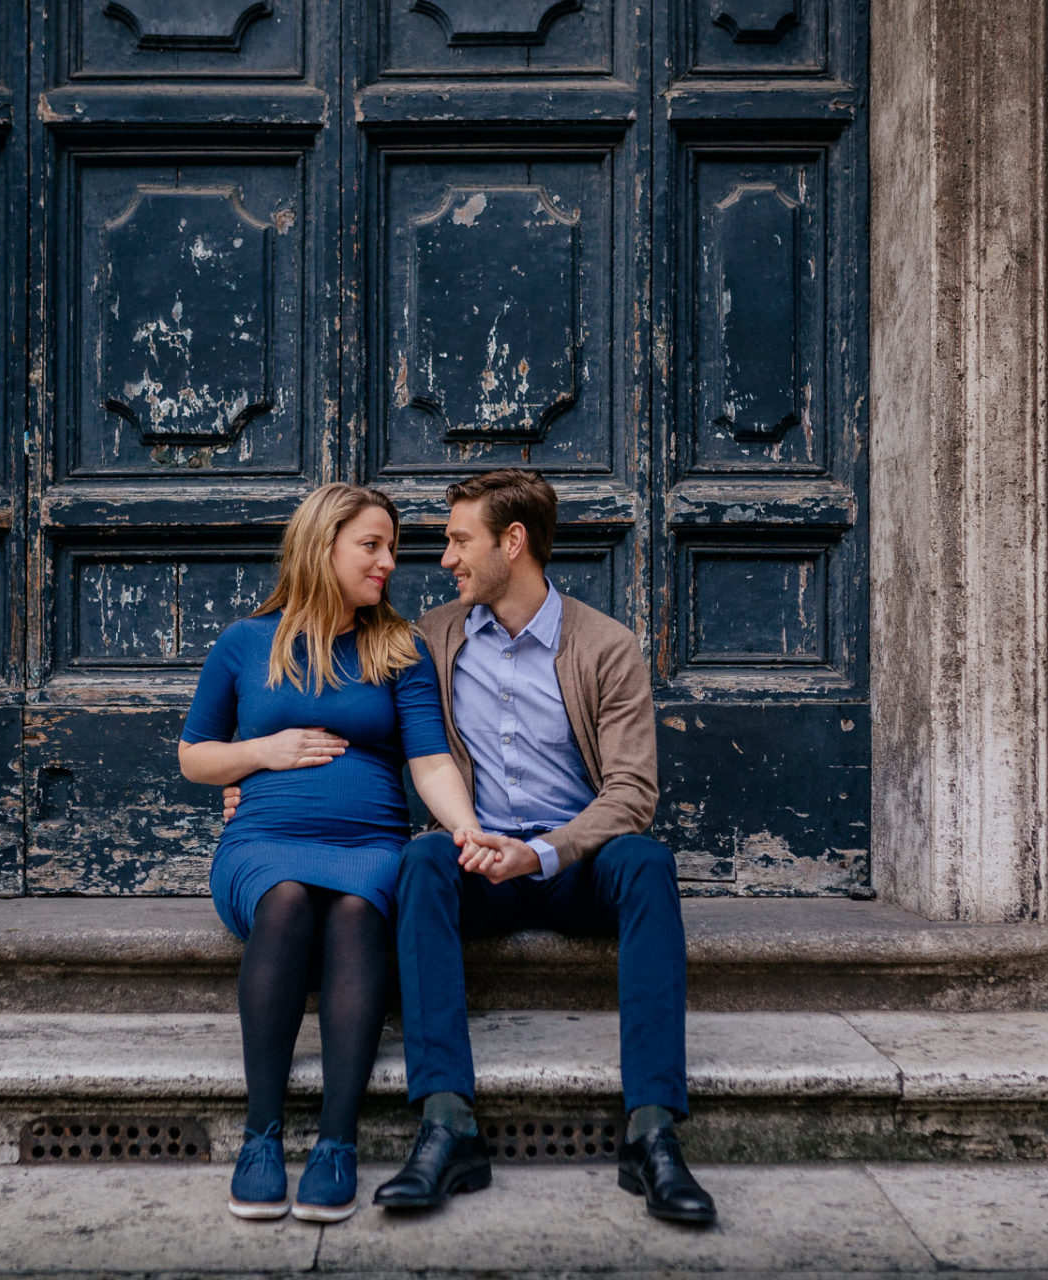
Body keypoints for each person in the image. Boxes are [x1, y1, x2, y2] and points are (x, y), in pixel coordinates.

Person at [229, 469, 716, 1225]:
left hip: (573, 861)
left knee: (648, 863)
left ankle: (652, 1132)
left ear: (511, 543)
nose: (445, 558)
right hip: (476, 857)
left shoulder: (607, 647)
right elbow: (374, 725)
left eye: (459, 540)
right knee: (419, 862)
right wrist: (253, 774)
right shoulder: (428, 638)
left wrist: (544, 851)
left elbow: (631, 793)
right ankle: (447, 1122)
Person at [179, 483, 482, 1224]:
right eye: (370, 546)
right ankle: (261, 1136)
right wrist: (263, 751)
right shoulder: (246, 643)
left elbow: (430, 761)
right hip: (262, 845)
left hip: (369, 846)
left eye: (392, 549)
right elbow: (194, 757)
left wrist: (466, 829)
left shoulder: (397, 647)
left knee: (354, 912)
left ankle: (337, 1143)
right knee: (284, 900)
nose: (387, 563)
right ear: (323, 546)